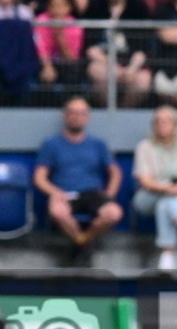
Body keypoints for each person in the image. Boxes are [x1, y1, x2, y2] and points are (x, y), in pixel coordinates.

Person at [33, 96, 123, 265]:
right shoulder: (51, 144)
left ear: (87, 117)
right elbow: (39, 178)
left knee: (114, 213)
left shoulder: (98, 144)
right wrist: (55, 193)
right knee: (57, 211)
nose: (77, 117)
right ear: (65, 115)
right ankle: (84, 244)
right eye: (73, 113)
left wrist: (109, 195)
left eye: (81, 113)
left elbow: (115, 172)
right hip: (64, 193)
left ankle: (81, 241)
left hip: (93, 194)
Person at [132, 105, 177, 271]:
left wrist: (174, 190)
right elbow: (144, 181)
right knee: (167, 199)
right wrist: (166, 188)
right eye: (158, 122)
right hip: (148, 196)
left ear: (175, 125)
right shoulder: (144, 147)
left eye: (166, 121)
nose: (162, 125)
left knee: (165, 204)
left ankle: (167, 253)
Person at [81, 0, 153, 108]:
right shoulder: (95, 7)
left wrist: (132, 67)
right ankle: (107, 110)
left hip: (132, 62)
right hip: (104, 61)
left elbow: (145, 47)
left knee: (143, 81)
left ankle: (124, 111)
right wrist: (112, 65)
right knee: (96, 72)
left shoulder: (138, 7)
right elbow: (89, 47)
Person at [35, 0, 85, 91]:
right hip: (44, 61)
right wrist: (47, 66)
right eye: (54, 6)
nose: (57, 10)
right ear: (48, 8)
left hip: (65, 62)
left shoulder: (75, 26)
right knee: (43, 76)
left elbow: (71, 57)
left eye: (61, 6)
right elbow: (40, 47)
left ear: (69, 8)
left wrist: (59, 35)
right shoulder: (41, 21)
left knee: (73, 73)